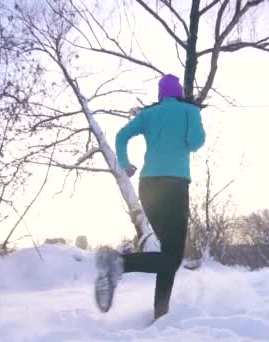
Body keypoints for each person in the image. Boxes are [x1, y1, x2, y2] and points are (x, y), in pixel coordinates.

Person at [94, 74, 205, 321]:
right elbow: (196, 142)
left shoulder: (147, 114)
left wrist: (125, 163)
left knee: (168, 254)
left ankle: (160, 313)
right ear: (179, 93)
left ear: (160, 95)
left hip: (149, 187)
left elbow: (122, 136)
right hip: (174, 187)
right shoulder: (189, 111)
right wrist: (193, 116)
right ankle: (120, 263)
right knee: (173, 258)